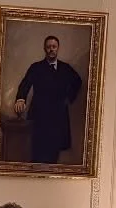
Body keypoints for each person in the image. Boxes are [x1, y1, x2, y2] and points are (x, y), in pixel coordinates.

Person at [13, 34, 84, 165]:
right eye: (48, 47)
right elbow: (25, 84)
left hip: (58, 117)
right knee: (37, 153)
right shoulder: (36, 67)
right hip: (39, 116)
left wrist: (69, 97)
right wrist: (21, 99)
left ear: (58, 48)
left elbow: (77, 81)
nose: (51, 49)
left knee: (53, 155)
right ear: (44, 49)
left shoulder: (65, 68)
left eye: (54, 47)